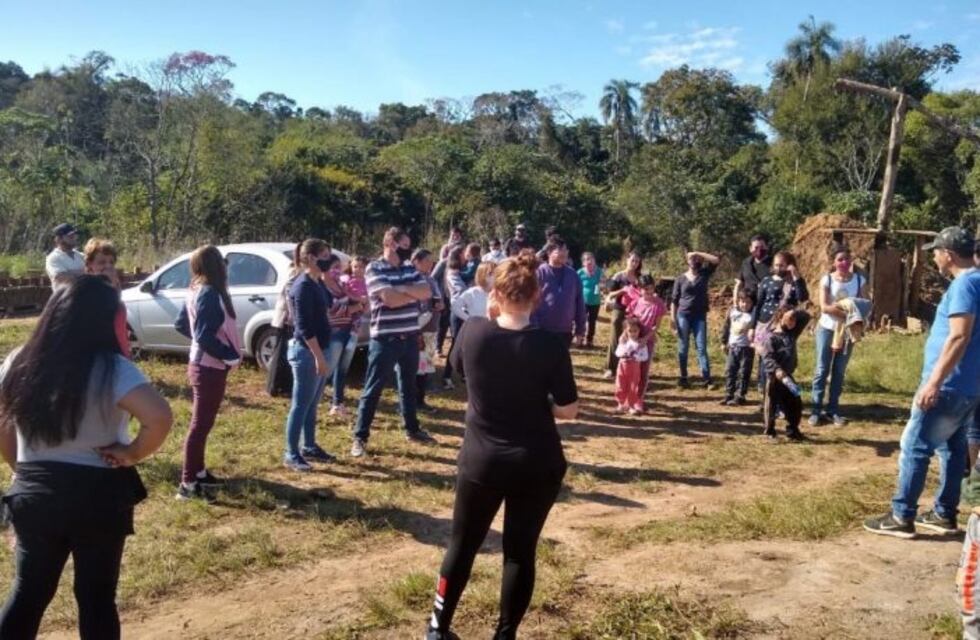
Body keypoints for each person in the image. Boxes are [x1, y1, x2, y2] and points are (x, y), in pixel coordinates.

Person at [0, 275, 173, 639]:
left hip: (35, 494)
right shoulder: (113, 367)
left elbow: (3, 423)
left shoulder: (19, 360)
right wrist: (132, 453)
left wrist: (23, 470)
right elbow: (159, 417)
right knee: (96, 599)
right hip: (98, 497)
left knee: (28, 594)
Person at [423, 253, 579, 640]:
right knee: (519, 552)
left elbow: (460, 370)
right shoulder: (550, 345)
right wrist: (537, 401)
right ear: (536, 296)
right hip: (536, 463)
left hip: (482, 461)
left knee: (462, 545)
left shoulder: (473, 332)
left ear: (495, 293)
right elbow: (568, 410)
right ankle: (505, 635)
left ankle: (438, 628)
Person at [864, 226, 980, 539]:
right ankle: (944, 513)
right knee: (953, 448)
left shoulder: (965, 285)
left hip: (949, 384)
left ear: (949, 254)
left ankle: (901, 516)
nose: (935, 258)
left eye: (937, 252)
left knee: (915, 447)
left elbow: (959, 336)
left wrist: (934, 383)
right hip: (968, 385)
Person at [352, 227, 437, 458]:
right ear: (390, 243)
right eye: (404, 246)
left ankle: (412, 429)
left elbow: (426, 291)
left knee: (408, 386)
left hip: (409, 337)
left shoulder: (409, 267)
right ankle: (360, 437)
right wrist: (408, 294)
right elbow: (389, 300)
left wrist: (401, 289)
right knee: (373, 389)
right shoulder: (374, 268)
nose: (408, 251)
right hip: (385, 339)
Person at [173, 246, 242, 501]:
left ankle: (199, 473)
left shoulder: (196, 289)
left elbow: (182, 324)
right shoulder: (209, 292)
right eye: (223, 262)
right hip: (208, 367)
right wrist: (227, 354)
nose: (226, 266)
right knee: (199, 425)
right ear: (216, 266)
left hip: (205, 365)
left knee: (204, 423)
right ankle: (187, 484)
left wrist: (206, 344)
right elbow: (203, 335)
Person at [282, 239, 337, 472]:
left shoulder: (316, 282)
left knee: (312, 403)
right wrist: (318, 357)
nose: (328, 260)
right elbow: (304, 328)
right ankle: (291, 453)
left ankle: (309, 446)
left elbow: (330, 303)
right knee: (301, 404)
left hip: (319, 349)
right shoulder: (302, 286)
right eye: (325, 256)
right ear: (312, 258)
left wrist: (326, 279)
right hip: (306, 352)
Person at [810, 243, 869, 427]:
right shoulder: (827, 280)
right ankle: (815, 410)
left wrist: (853, 316)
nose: (844, 262)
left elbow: (865, 305)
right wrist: (849, 314)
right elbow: (824, 307)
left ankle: (833, 410)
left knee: (839, 370)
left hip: (848, 331)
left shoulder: (859, 280)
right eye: (840, 259)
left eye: (847, 259)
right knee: (822, 369)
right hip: (827, 328)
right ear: (834, 262)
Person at [752, 250, 809, 392]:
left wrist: (795, 276)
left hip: (783, 326)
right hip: (764, 323)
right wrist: (752, 327)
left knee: (783, 355)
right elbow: (758, 304)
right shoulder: (766, 281)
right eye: (776, 265)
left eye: (782, 265)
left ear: (789, 265)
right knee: (765, 355)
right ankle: (764, 388)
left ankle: (782, 389)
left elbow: (802, 298)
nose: (778, 268)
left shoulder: (794, 282)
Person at [670, 251, 720, 388]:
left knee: (701, 348)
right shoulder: (680, 279)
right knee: (683, 347)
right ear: (687, 261)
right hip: (683, 315)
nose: (694, 260)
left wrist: (698, 252)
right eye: (691, 258)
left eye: (696, 259)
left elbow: (716, 260)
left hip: (699, 316)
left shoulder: (704, 274)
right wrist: (672, 319)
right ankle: (683, 377)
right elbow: (674, 301)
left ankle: (707, 379)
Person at [322, 256, 364, 418]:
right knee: (328, 368)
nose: (337, 270)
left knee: (342, 369)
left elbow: (358, 303)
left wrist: (360, 304)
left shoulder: (342, 285)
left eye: (339, 267)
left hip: (350, 330)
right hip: (334, 331)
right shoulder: (323, 287)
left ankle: (337, 403)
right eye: (334, 267)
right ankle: (313, 397)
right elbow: (331, 311)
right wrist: (355, 307)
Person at [761, 305, 811, 441]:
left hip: (787, 376)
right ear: (780, 318)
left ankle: (793, 431)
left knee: (795, 401)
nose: (793, 322)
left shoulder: (792, 333)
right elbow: (768, 358)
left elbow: (806, 316)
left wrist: (793, 311)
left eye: (794, 319)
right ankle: (770, 431)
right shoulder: (770, 337)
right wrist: (777, 369)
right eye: (790, 319)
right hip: (774, 377)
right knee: (771, 405)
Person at [531, 239, 587, 347]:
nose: (564, 253)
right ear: (549, 253)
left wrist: (580, 330)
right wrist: (534, 326)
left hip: (565, 331)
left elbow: (579, 303)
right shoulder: (539, 273)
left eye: (566, 250)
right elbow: (530, 302)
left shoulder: (573, 275)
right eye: (560, 250)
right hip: (542, 330)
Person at [625, 274, 668, 409]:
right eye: (645, 289)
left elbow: (656, 326)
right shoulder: (635, 303)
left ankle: (639, 399)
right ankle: (628, 397)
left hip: (647, 342)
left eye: (651, 288)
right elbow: (628, 322)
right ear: (640, 289)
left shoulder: (658, 304)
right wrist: (625, 337)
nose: (648, 292)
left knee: (643, 371)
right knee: (631, 370)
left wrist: (645, 338)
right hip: (633, 341)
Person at [82, 238, 130, 357]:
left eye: (111, 262)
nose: (108, 266)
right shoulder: (85, 292)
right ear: (90, 265)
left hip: (120, 354)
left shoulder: (114, 288)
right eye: (102, 262)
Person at [603, 251, 643, 379]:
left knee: (633, 338)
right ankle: (611, 368)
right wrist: (623, 290)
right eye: (632, 260)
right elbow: (609, 293)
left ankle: (632, 368)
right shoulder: (618, 276)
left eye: (637, 261)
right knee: (615, 338)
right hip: (620, 310)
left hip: (635, 311)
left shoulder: (640, 278)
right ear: (627, 260)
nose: (634, 263)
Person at [412, 249, 444, 412]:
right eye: (427, 261)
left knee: (425, 366)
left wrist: (439, 305)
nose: (431, 264)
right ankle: (412, 402)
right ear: (416, 261)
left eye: (432, 260)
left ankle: (420, 400)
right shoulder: (412, 279)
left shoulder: (431, 279)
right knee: (415, 366)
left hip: (430, 328)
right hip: (416, 329)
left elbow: (439, 301)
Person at [720, 291, 756, 406]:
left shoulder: (754, 314)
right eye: (742, 302)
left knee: (744, 372)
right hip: (733, 347)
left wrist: (756, 342)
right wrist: (723, 342)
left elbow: (759, 330)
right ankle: (729, 393)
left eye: (748, 302)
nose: (745, 305)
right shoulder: (732, 311)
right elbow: (726, 327)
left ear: (752, 303)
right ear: (738, 301)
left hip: (746, 348)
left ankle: (740, 395)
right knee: (730, 371)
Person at [440, 246, 468, 390]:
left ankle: (463, 374)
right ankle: (446, 376)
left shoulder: (460, 271)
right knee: (456, 344)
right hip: (457, 313)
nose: (466, 256)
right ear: (458, 256)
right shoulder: (452, 273)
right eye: (463, 254)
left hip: (465, 311)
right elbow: (461, 290)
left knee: (464, 345)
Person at [614, 317, 650, 415]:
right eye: (630, 331)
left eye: (635, 331)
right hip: (622, 366)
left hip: (634, 368)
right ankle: (621, 404)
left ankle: (631, 405)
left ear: (639, 331)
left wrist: (637, 357)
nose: (633, 333)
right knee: (620, 384)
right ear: (626, 331)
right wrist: (623, 353)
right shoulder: (623, 341)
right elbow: (617, 352)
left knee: (633, 386)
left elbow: (645, 357)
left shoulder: (641, 343)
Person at [733, 234, 772, 303]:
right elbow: (739, 283)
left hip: (766, 303)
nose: (759, 250)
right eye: (756, 247)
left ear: (767, 247)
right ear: (750, 249)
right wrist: (735, 302)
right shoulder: (746, 263)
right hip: (747, 303)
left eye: (762, 247)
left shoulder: (774, 263)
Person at [578, 252, 605, 348]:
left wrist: (601, 284)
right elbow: (575, 286)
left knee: (592, 321)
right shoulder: (580, 272)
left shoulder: (599, 271)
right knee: (581, 320)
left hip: (595, 301)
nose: (589, 261)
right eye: (586, 259)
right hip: (582, 301)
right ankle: (580, 338)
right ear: (583, 263)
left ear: (594, 261)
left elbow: (603, 285)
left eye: (591, 259)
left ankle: (590, 339)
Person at [44, 223, 85, 288]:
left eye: (75, 235)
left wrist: (70, 272)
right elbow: (61, 278)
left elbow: (94, 271)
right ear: (59, 239)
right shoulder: (53, 258)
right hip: (66, 295)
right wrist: (85, 273)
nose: (75, 238)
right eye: (71, 236)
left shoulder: (81, 255)